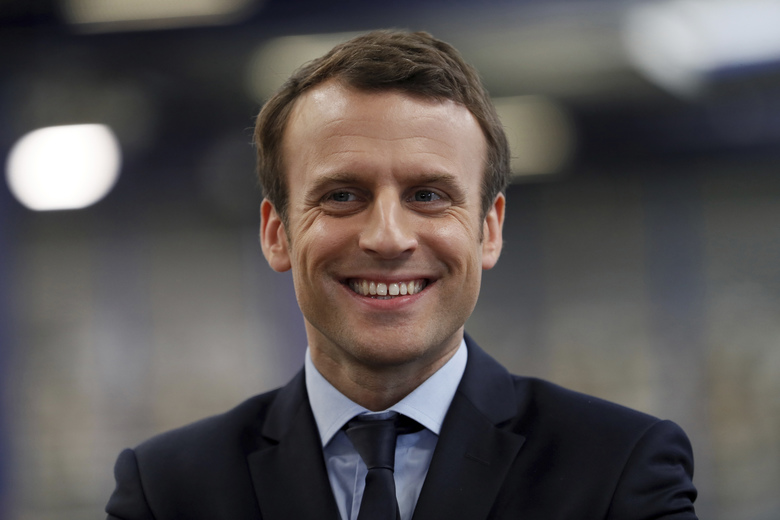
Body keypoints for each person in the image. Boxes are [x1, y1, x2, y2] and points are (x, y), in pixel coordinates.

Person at [105, 30, 698, 520]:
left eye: (428, 195)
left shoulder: (620, 469)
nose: (387, 236)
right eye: (341, 195)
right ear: (276, 233)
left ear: (488, 230)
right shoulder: (166, 492)